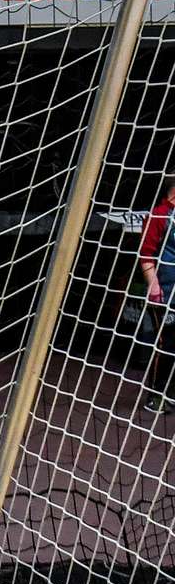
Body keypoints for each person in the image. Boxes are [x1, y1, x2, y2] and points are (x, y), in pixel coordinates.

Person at [138, 177, 175, 413]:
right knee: (168, 343)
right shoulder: (160, 215)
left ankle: (170, 392)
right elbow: (146, 253)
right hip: (166, 288)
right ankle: (156, 395)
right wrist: (153, 284)